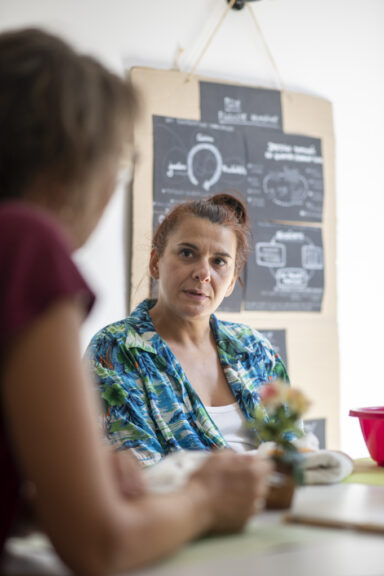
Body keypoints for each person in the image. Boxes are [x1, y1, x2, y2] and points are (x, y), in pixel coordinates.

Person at [0, 28, 272, 576]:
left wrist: (38, 496)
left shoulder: (251, 348)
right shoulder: (25, 243)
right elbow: (102, 546)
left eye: (220, 262)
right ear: (77, 163)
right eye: (119, 162)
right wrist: (205, 501)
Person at [87, 193, 290, 467]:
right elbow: (134, 472)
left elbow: (293, 447)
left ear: (231, 282)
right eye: (187, 253)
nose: (203, 273)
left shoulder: (255, 350)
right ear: (155, 262)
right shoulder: (114, 350)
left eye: (219, 261)